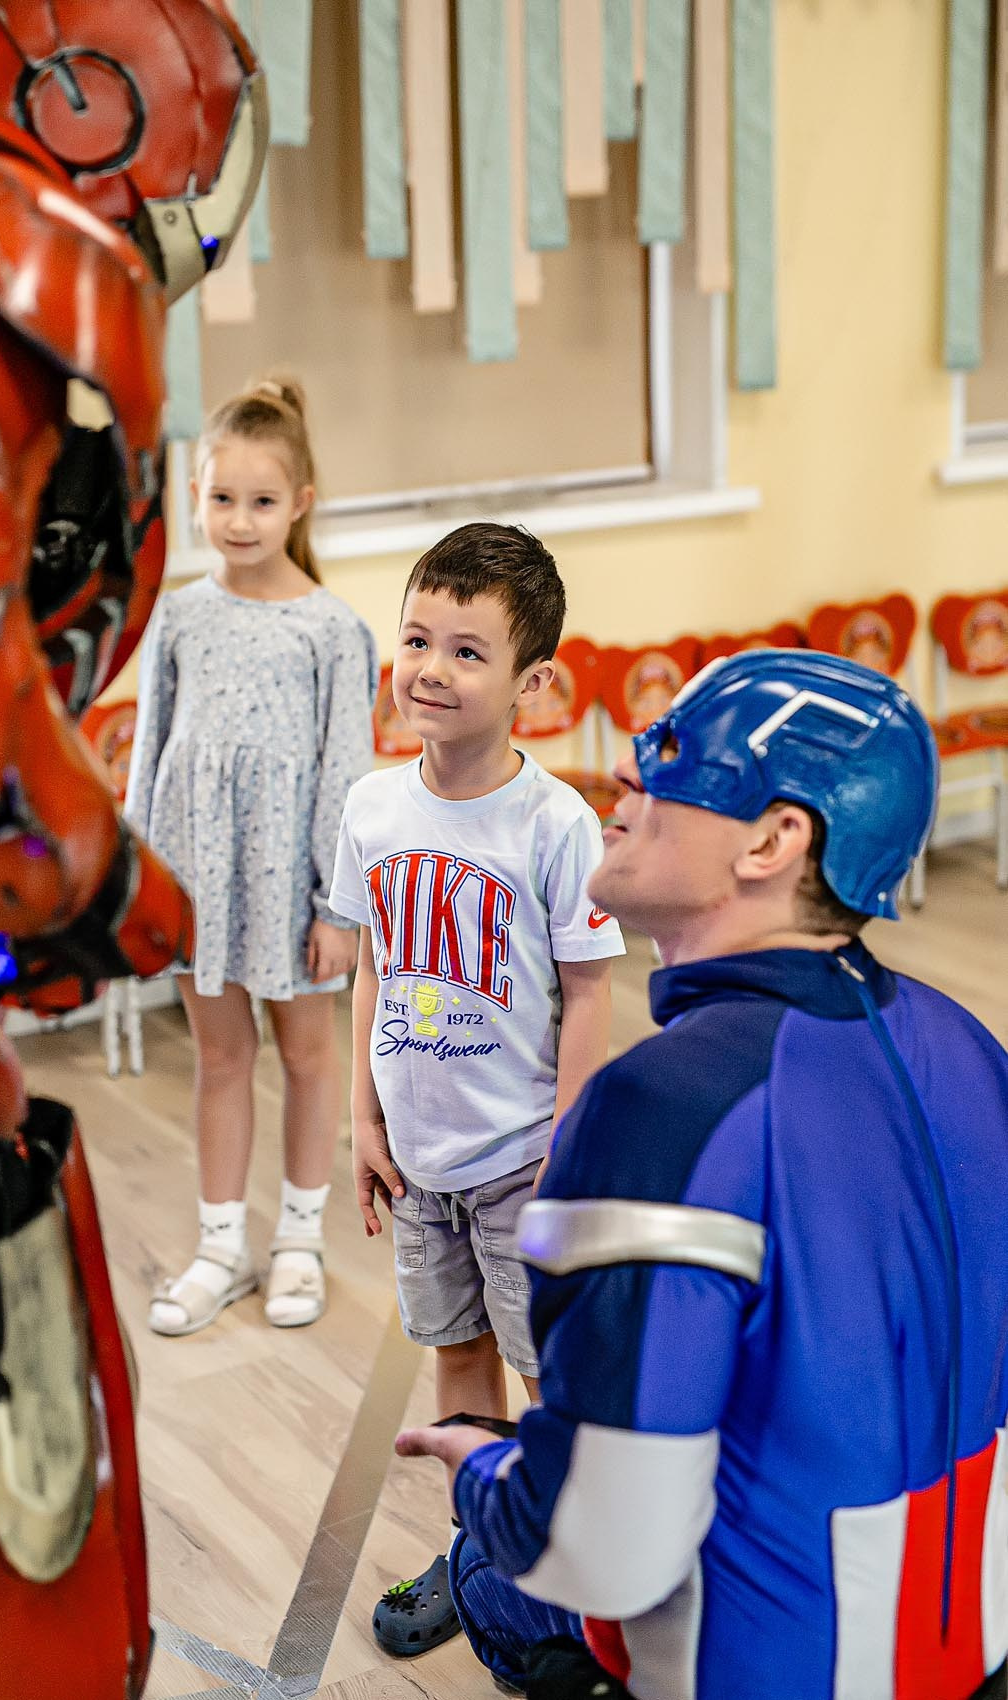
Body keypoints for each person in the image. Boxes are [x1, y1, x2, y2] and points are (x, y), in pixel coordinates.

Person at [397, 648, 1008, 1700]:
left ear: (776, 838)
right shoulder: (967, 1044)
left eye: (669, 760)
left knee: (498, 1563)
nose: (621, 782)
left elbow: (601, 1545)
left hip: (759, 1670)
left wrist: (484, 1474)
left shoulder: (662, 1103)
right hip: (975, 1638)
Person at [328, 522, 625, 1656]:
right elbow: (371, 966)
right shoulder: (372, 808)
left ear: (532, 681)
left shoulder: (553, 823)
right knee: (456, 1354)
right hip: (417, 1156)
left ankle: (567, 1568)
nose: (429, 670)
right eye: (415, 639)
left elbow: (590, 994)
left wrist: (569, 1138)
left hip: (519, 1160)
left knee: (545, 1368)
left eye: (465, 651)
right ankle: (478, 1554)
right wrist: (362, 1117)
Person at [125, 378, 378, 1335]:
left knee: (309, 1056)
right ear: (196, 496)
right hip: (198, 881)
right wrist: (143, 882)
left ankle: (300, 1241)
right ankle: (222, 1244)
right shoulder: (181, 617)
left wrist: (337, 907)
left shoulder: (331, 631)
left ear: (301, 504)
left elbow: (344, 777)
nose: (239, 519)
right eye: (220, 497)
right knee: (220, 1058)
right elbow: (149, 755)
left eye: (261, 500)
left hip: (294, 887)